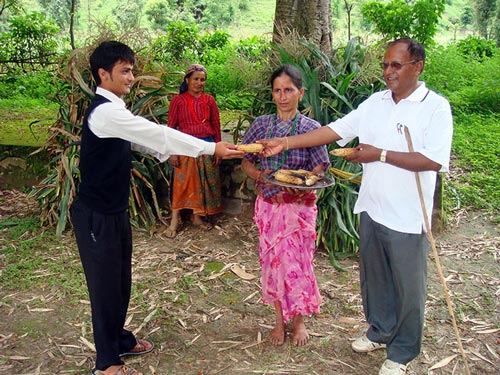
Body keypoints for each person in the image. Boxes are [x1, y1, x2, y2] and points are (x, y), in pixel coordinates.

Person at [259, 39, 453, 374]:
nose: (388, 72)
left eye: (396, 65)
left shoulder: (434, 107)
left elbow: (434, 160)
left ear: (417, 66)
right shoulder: (375, 103)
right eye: (385, 64)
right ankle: (379, 330)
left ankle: (402, 352)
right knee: (374, 279)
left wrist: (379, 154)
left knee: (408, 286)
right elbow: (334, 132)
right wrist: (286, 142)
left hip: (408, 215)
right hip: (373, 207)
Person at [70, 41, 243, 375]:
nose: (132, 77)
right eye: (125, 70)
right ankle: (106, 363)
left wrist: (174, 151)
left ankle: (119, 339)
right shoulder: (105, 112)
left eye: (132, 70)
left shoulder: (115, 111)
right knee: (105, 286)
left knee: (120, 281)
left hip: (113, 211)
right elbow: (155, 132)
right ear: (103, 74)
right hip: (96, 216)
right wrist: (208, 148)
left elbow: (140, 140)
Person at [240, 65, 330, 347]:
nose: (282, 96)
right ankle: (279, 321)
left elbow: (319, 169)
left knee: (299, 265)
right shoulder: (261, 125)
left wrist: (303, 183)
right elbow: (246, 160)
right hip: (269, 206)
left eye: (289, 90)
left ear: (301, 93)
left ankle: (299, 321)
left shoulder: (311, 129)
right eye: (277, 90)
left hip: (298, 209)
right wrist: (259, 176)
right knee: (273, 265)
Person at [165, 64, 222, 238]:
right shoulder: (178, 101)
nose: (199, 82)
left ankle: (197, 217)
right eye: (195, 79)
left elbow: (216, 125)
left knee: (203, 185)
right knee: (181, 185)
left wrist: (218, 148)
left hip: (207, 147)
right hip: (185, 148)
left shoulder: (210, 100)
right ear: (187, 80)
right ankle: (175, 220)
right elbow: (171, 128)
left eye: (202, 79)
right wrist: (172, 152)